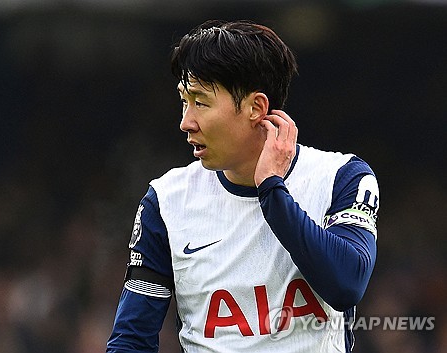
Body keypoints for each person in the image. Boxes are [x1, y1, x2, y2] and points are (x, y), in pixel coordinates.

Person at [106, 20, 379, 353]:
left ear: (256, 108)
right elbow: (132, 340)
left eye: (201, 102)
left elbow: (347, 285)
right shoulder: (165, 202)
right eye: (184, 101)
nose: (185, 121)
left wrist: (271, 190)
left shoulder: (341, 177)